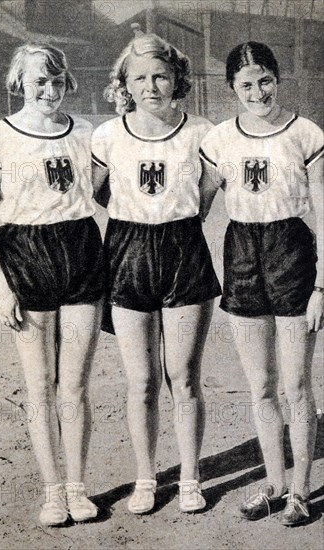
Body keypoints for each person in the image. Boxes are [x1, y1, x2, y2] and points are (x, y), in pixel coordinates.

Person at [92, 33, 221, 514]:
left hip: (184, 248)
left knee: (183, 377)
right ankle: (146, 478)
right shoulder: (107, 135)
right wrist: (137, 220)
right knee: (141, 380)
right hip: (127, 251)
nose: (151, 86)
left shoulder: (201, 132)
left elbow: (205, 198)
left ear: (176, 79)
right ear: (125, 84)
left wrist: (175, 221)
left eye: (160, 76)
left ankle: (190, 476)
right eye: (140, 77)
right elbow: (98, 194)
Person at [0, 43, 105, 526]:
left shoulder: (85, 132)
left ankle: (77, 488)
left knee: (75, 385)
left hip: (81, 251)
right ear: (20, 84)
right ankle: (52, 492)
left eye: (56, 81)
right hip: (25, 257)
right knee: (41, 385)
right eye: (39, 82)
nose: (49, 90)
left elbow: (104, 190)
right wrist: (0, 286)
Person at [199, 41, 323, 526]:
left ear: (278, 79)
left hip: (292, 249)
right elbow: (197, 204)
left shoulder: (307, 133)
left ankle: (300, 491)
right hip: (242, 254)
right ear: (231, 88)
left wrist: (321, 287)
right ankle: (273, 484)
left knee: (296, 383)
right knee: (261, 385)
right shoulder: (220, 140)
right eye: (246, 84)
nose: (257, 92)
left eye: (265, 80)